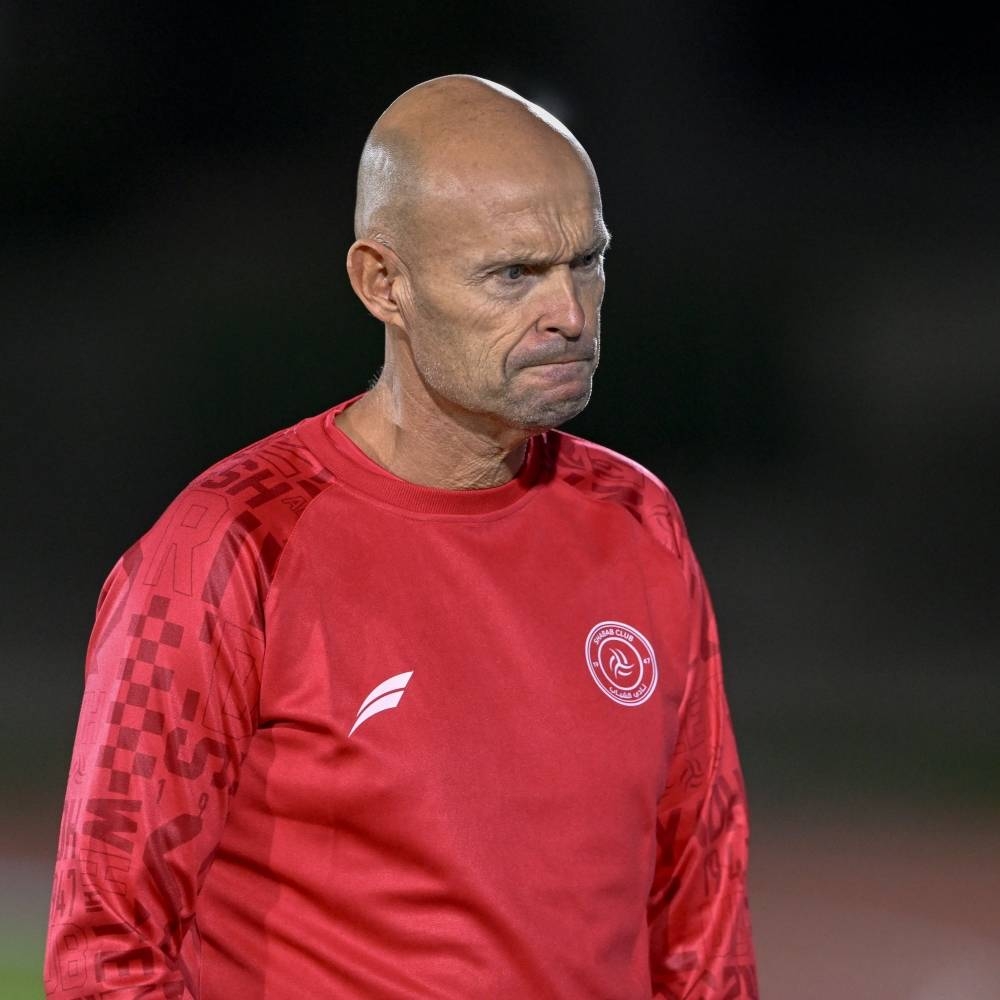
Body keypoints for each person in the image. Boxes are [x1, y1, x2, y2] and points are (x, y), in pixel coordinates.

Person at [45, 75, 758, 999]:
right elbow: (108, 946)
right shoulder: (229, 547)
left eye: (586, 261)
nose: (571, 315)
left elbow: (700, 903)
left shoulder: (639, 520)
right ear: (384, 283)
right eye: (514, 275)